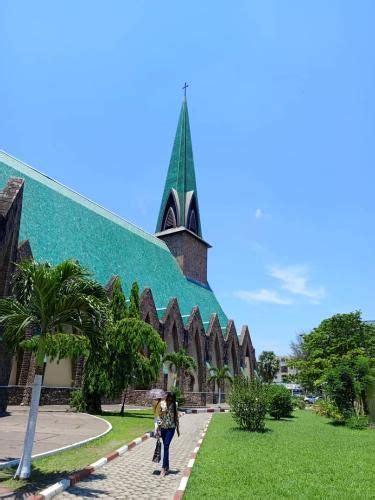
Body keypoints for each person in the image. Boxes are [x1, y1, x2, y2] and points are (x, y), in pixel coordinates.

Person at [158, 392, 180, 476]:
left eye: (172, 399)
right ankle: (167, 466)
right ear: (167, 397)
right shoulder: (162, 404)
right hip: (163, 428)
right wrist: (158, 429)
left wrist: (178, 429)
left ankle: (163, 468)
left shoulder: (175, 404)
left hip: (171, 428)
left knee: (166, 445)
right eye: (169, 398)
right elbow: (159, 417)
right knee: (165, 446)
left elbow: (176, 416)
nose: (170, 400)